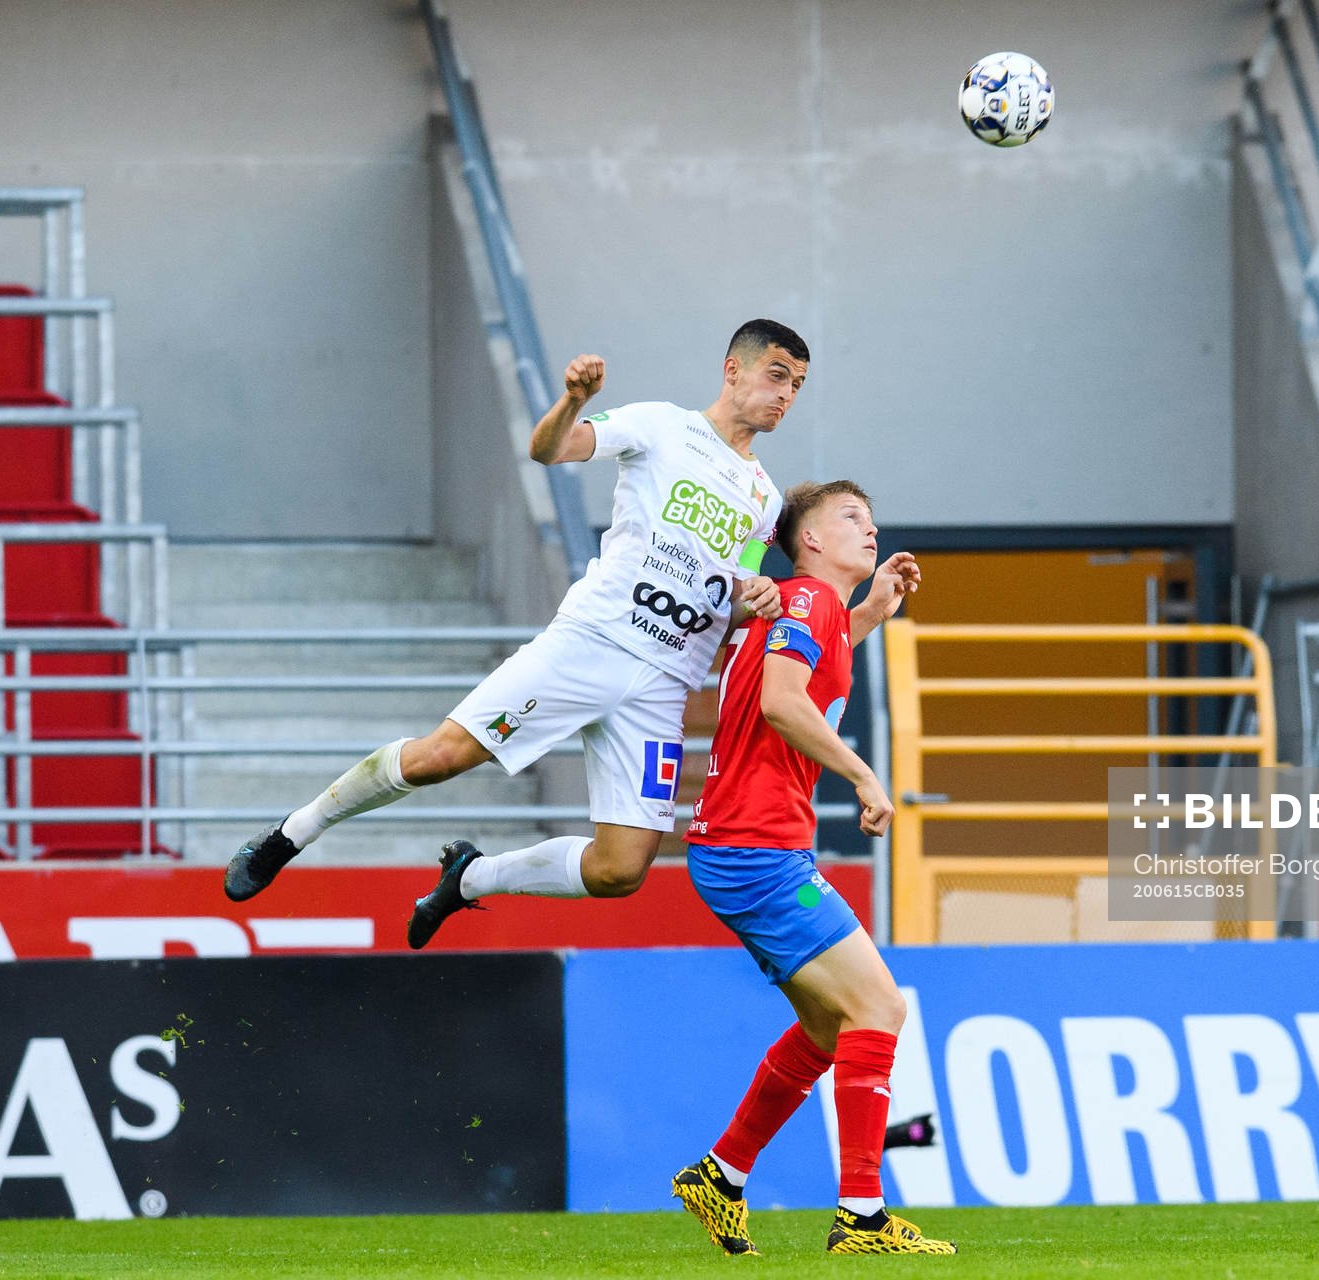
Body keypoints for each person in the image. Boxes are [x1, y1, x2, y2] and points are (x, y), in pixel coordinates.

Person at [225, 320, 805, 927]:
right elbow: (549, 449)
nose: (787, 393)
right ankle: (290, 835)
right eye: (777, 374)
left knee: (621, 871)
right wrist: (575, 400)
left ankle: (470, 877)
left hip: (663, 685)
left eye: (797, 384)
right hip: (593, 642)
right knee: (438, 758)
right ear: (732, 368)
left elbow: (738, 590)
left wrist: (758, 595)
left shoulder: (764, 496)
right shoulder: (661, 425)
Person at [668, 480, 952, 1257]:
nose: (870, 528)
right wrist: (864, 775)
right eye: (851, 518)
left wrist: (870, 613)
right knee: (881, 1009)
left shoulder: (805, 609)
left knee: (829, 1027)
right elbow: (783, 704)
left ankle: (721, 1177)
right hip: (758, 849)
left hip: (736, 847)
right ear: (811, 542)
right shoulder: (806, 602)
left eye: (873, 517)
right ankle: (861, 1215)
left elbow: (800, 670)